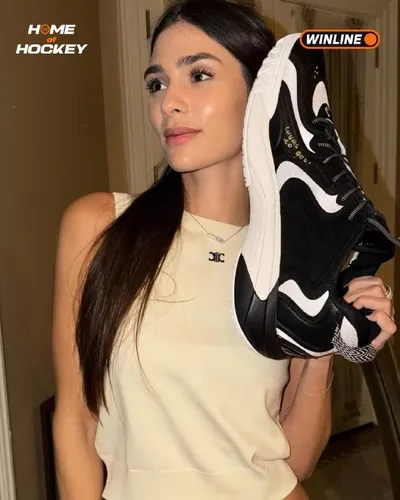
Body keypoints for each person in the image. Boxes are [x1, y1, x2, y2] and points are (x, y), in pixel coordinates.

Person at [51, 1, 397, 499]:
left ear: (262, 93)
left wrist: (328, 338)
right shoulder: (100, 226)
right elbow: (75, 422)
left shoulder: (293, 256)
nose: (169, 102)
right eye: (157, 83)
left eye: (198, 75)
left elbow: (294, 462)